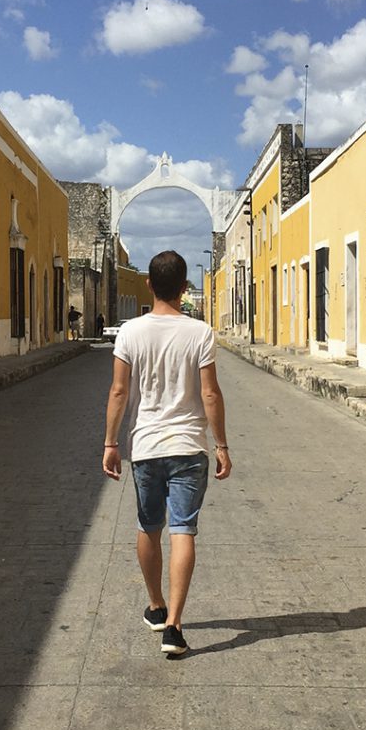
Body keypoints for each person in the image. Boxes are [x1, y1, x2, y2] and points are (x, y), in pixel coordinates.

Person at [102, 250, 231, 656]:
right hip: (189, 446)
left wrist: (110, 442)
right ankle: (174, 627)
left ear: (148, 284)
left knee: (148, 526)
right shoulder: (200, 332)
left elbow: (119, 391)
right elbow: (209, 392)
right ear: (184, 287)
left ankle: (156, 606)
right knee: (183, 530)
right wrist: (222, 443)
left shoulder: (130, 332)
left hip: (146, 447)